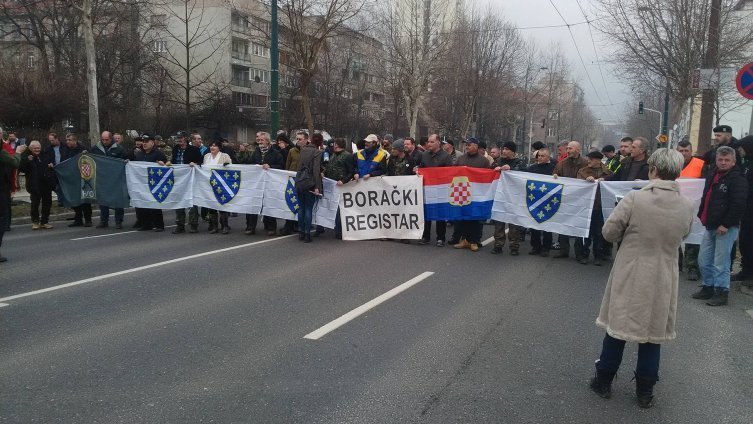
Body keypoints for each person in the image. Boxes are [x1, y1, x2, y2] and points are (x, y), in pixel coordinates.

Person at [589, 148, 694, 409]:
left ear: (653, 170)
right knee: (652, 334)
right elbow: (684, 234)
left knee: (618, 328)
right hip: (663, 275)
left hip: (631, 271)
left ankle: (603, 381)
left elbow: (609, 232)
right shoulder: (686, 205)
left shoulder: (635, 199)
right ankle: (645, 391)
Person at [692, 146, 748, 306]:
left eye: (727, 160)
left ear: (733, 161)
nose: (723, 162)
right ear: (716, 160)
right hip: (710, 224)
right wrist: (701, 214)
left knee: (721, 262)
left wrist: (726, 224)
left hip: (725, 227)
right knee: (704, 259)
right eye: (720, 159)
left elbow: (738, 204)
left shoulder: (738, 179)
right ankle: (708, 287)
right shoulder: (713, 174)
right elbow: (706, 196)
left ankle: (721, 291)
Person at [239, 131, 284, 236]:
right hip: (256, 184)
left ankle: (271, 227)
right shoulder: (255, 152)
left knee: (269, 204)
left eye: (261, 140)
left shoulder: (276, 153)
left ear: (267, 141)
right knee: (252, 204)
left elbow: (281, 166)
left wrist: (270, 166)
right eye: (258, 140)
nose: (259, 142)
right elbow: (248, 163)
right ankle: (250, 227)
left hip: (269, 184)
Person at [452, 138, 491, 252]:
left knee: (475, 219)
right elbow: (453, 172)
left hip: (477, 194)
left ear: (476, 146)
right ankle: (464, 240)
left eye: (469, 144)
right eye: (466, 145)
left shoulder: (484, 161)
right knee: (463, 218)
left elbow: (487, 177)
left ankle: (474, 241)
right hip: (462, 193)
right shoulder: (461, 159)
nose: (467, 147)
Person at [552, 141, 587, 258]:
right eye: (567, 148)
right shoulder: (562, 163)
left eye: (570, 148)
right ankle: (563, 250)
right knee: (563, 225)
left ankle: (580, 253)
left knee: (579, 226)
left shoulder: (586, 163)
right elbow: (555, 175)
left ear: (578, 149)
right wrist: (555, 177)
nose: (568, 150)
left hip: (581, 200)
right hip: (565, 199)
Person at [576, 151, 612, 266]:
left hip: (600, 207)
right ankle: (583, 254)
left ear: (598, 160)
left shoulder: (608, 173)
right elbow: (577, 186)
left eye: (591, 159)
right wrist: (585, 180)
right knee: (585, 232)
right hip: (586, 207)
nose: (588, 161)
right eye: (588, 159)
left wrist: (605, 181)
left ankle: (598, 256)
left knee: (599, 233)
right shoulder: (582, 172)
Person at [677, 140, 705, 281]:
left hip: (694, 206)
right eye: (681, 151)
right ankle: (676, 264)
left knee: (693, 235)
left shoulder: (700, 164)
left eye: (686, 151)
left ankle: (692, 266)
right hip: (675, 204)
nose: (683, 153)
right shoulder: (672, 164)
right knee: (674, 234)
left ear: (691, 151)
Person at [418, 134, 453, 247]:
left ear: (438, 142)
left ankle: (441, 238)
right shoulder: (424, 155)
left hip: (440, 189)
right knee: (426, 213)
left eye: (432, 142)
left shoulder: (446, 156)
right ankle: (425, 236)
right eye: (428, 142)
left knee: (440, 214)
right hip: (427, 188)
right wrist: (417, 170)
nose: (429, 144)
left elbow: (449, 173)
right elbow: (421, 168)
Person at [490, 141, 525, 255]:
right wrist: (495, 168)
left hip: (514, 198)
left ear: (513, 151)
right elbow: (491, 169)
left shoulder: (519, 162)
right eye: (503, 149)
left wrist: (511, 169)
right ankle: (498, 245)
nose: (504, 151)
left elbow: (523, 172)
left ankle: (514, 246)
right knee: (499, 222)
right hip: (500, 196)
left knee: (513, 222)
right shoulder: (499, 161)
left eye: (507, 149)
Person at [167, 130, 203, 234]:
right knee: (179, 201)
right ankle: (180, 225)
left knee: (191, 202)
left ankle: (193, 224)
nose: (179, 139)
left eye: (181, 137)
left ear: (186, 138)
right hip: (178, 179)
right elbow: (174, 161)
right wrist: (169, 162)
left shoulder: (194, 149)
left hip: (191, 179)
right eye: (178, 138)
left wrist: (195, 163)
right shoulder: (175, 149)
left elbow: (201, 162)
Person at [91, 131, 127, 229]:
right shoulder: (96, 148)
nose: (104, 141)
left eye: (106, 140)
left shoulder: (119, 149)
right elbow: (91, 159)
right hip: (102, 179)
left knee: (118, 200)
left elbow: (125, 159)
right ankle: (104, 221)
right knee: (103, 200)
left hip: (116, 179)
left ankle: (118, 221)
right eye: (103, 139)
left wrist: (126, 161)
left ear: (111, 139)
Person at [132, 134, 167, 232]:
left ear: (152, 142)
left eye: (146, 142)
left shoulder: (158, 154)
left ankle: (159, 225)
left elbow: (168, 164)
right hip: (142, 183)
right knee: (143, 205)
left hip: (154, 183)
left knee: (154, 205)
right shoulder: (139, 154)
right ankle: (146, 224)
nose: (144, 143)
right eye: (143, 142)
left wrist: (163, 164)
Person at [19, 141, 56, 230]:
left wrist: (51, 165)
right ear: (31, 149)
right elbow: (21, 168)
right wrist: (28, 161)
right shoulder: (26, 156)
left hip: (46, 184)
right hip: (34, 185)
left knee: (47, 204)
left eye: (38, 148)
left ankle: (44, 222)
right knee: (35, 204)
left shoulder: (45, 154)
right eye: (35, 148)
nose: (37, 150)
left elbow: (50, 164)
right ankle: (35, 222)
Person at [526, 147, 556, 256]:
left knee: (547, 225)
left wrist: (557, 177)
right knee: (534, 225)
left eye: (542, 156)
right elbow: (521, 173)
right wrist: (509, 169)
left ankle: (546, 248)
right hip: (535, 200)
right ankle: (536, 246)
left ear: (548, 157)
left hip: (548, 201)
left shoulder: (554, 168)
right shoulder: (533, 168)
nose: (540, 158)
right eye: (539, 155)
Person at [732, 136, 753, 285]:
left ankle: (749, 273)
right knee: (745, 241)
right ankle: (746, 270)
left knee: (748, 241)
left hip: (750, 210)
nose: (740, 150)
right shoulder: (747, 163)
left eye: (742, 148)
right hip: (746, 211)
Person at [295, 132, 323, 243]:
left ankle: (300, 232)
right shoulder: (317, 152)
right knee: (308, 209)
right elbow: (316, 170)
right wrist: (317, 186)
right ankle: (307, 233)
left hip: (300, 181)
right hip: (310, 182)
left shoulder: (303, 150)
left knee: (301, 208)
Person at [324, 138, 354, 239]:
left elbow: (351, 171)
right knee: (331, 207)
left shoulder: (347, 156)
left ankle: (339, 231)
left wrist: (344, 180)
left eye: (334, 144)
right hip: (331, 184)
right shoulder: (333, 155)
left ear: (337, 145)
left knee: (338, 210)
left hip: (340, 185)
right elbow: (329, 167)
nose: (333, 145)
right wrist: (324, 173)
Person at [1, 144, 26, 261]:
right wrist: (18, 152)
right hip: (1, 189)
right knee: (2, 219)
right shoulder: (2, 151)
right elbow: (14, 162)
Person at [60, 134, 92, 227]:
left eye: (70, 140)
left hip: (82, 178)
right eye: (67, 140)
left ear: (75, 141)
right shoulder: (65, 150)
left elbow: (90, 161)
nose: (67, 142)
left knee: (85, 200)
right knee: (74, 199)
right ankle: (78, 219)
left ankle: (88, 219)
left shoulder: (83, 149)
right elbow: (63, 162)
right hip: (71, 178)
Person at [203, 140, 233, 234]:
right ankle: (214, 226)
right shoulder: (206, 156)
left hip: (221, 184)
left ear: (219, 147)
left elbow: (230, 167)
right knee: (211, 206)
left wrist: (227, 165)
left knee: (221, 205)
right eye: (211, 145)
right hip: (209, 184)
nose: (212, 147)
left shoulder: (225, 156)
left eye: (215, 146)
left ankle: (225, 226)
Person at [280, 131, 306, 235]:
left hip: (303, 181)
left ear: (305, 140)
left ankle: (298, 224)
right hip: (292, 181)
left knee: (301, 204)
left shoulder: (308, 151)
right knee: (290, 202)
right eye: (297, 139)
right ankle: (288, 225)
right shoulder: (292, 151)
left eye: (300, 139)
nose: (298, 141)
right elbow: (288, 164)